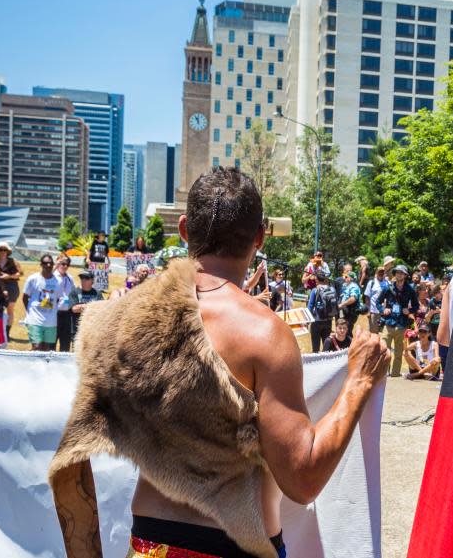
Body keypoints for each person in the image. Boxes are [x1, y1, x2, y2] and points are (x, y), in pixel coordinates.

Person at [49, 167, 389, 558]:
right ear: (260, 236)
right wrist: (358, 382)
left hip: (149, 546)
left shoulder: (119, 319)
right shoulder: (263, 334)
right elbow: (302, 477)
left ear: (183, 230)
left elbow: (72, 460)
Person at [379, 264, 419, 376]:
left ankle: (395, 374)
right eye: (397, 272)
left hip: (402, 324)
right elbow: (378, 301)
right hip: (389, 322)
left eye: (401, 273)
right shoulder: (388, 288)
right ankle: (384, 373)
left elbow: (416, 306)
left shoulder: (410, 290)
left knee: (398, 352)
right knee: (384, 350)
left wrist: (409, 310)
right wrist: (383, 309)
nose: (399, 274)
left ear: (405, 275)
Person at [22, 254, 62, 351]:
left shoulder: (58, 281)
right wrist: (30, 312)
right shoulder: (33, 279)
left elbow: (57, 299)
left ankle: (42, 366)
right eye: (45, 263)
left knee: (47, 349)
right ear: (41, 264)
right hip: (35, 319)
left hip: (50, 321)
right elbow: (25, 297)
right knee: (36, 347)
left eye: (50, 263)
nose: (48, 265)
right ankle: (29, 364)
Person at [0, 241, 22, 339]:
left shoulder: (13, 261)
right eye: (0, 249)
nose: (2, 252)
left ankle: (7, 332)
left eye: (4, 250)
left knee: (10, 310)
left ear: (7, 251)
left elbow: (20, 273)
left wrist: (8, 276)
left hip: (12, 287)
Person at [308, 268, 338, 352]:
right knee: (327, 347)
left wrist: (306, 322)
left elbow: (310, 307)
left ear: (316, 279)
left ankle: (316, 364)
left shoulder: (315, 290)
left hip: (316, 322)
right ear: (325, 278)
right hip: (328, 321)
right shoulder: (332, 289)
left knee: (315, 349)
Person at [53, 257, 77, 352]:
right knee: (52, 342)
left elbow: (73, 292)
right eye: (62, 264)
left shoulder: (69, 278)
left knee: (65, 343)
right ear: (58, 263)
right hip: (55, 313)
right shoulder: (52, 276)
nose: (65, 266)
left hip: (67, 313)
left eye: (67, 264)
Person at [69, 271, 102, 338]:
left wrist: (82, 307)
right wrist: (92, 306)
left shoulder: (97, 293)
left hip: (92, 329)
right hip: (77, 329)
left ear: (92, 280)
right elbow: (74, 309)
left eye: (86, 278)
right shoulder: (74, 292)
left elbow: (102, 309)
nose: (83, 280)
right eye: (82, 278)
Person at [364, 266, 388, 333]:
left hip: (385, 312)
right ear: (376, 272)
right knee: (373, 333)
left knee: (384, 334)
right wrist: (368, 310)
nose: (381, 273)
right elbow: (367, 297)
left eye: (383, 272)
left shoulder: (387, 283)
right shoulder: (371, 283)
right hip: (374, 312)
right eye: (379, 272)